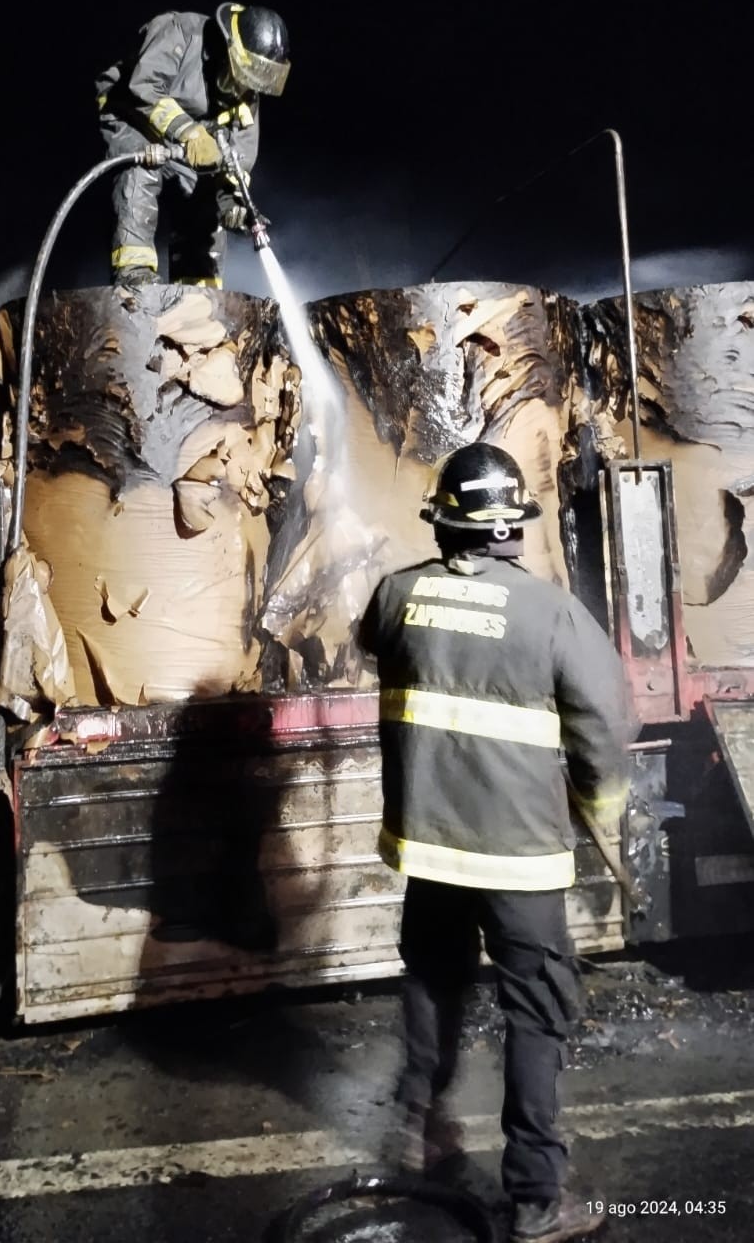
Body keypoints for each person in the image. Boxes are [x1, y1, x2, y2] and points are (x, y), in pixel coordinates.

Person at [359, 441, 630, 1243]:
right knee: (536, 1014)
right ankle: (540, 1200)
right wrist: (601, 806)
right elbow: (606, 733)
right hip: (520, 858)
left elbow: (383, 646)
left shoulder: (395, 596)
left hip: (431, 848)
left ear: (442, 522)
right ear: (514, 529)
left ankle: (423, 1125)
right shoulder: (551, 614)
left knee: (435, 982)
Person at [95, 3, 290, 287]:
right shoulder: (180, 33)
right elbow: (143, 86)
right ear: (227, 52)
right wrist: (189, 132)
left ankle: (198, 291)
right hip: (131, 112)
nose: (246, 89)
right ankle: (135, 279)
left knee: (203, 201)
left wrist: (231, 201)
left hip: (190, 138)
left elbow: (239, 161)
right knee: (140, 167)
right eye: (243, 77)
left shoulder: (247, 96)